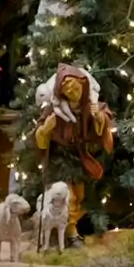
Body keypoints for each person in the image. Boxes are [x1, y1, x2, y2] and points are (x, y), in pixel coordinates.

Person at [32, 63, 116, 233]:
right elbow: (38, 138)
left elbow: (105, 124)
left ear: (82, 82)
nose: (71, 89)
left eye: (73, 84)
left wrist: (99, 117)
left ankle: (64, 224)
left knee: (80, 198)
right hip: (60, 159)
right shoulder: (52, 110)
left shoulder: (92, 106)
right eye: (65, 87)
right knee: (67, 196)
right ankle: (70, 233)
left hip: (80, 157)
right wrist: (46, 129)